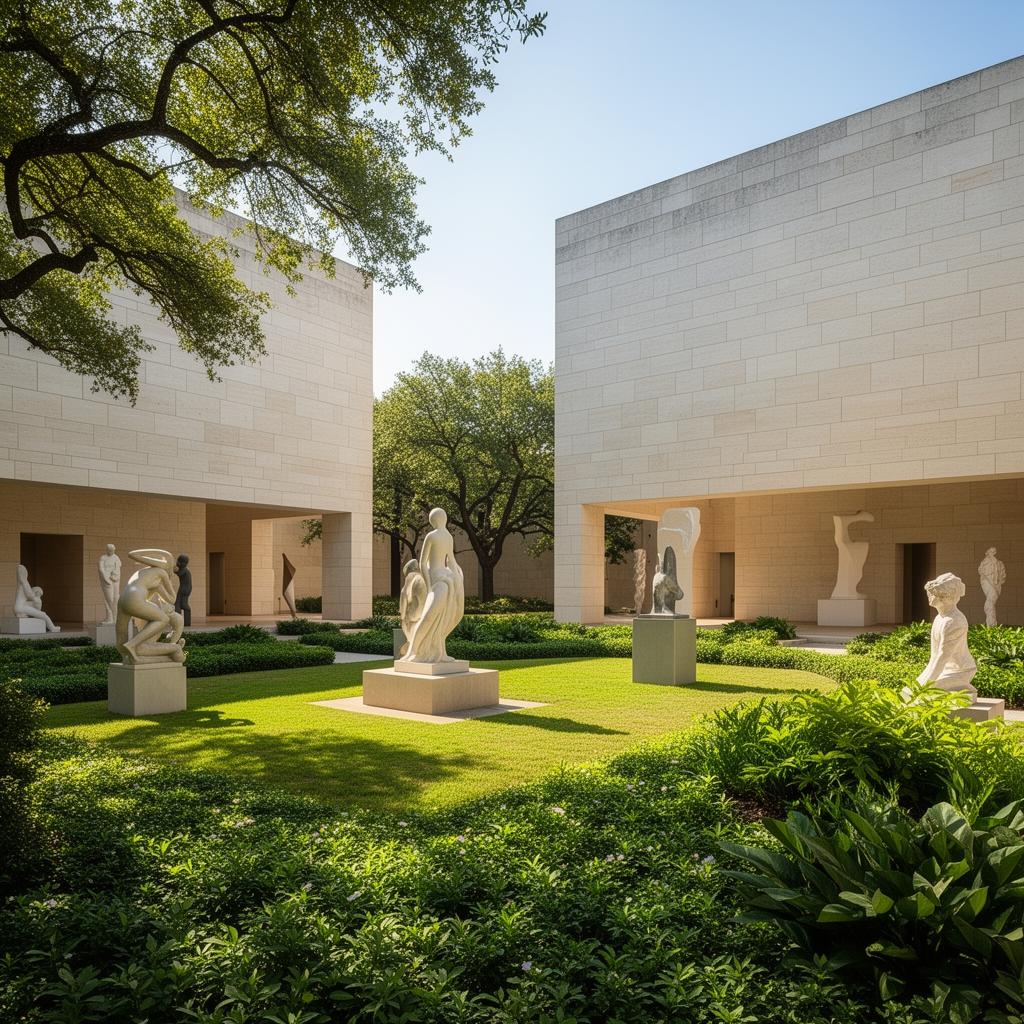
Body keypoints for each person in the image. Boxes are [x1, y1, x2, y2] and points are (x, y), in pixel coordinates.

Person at [404, 508, 465, 664]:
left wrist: (458, 576)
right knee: (429, 617)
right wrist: (429, 586)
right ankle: (413, 651)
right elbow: (424, 562)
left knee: (439, 618)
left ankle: (438, 652)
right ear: (441, 519)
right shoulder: (434, 536)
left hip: (443, 580)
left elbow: (448, 560)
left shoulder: (444, 537)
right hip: (440, 580)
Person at [116, 549, 185, 664]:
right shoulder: (162, 573)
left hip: (123, 599)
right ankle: (132, 644)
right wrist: (164, 556)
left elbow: (132, 554)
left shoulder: (146, 573)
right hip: (134, 599)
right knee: (163, 619)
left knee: (121, 635)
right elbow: (172, 599)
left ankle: (125, 656)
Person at [916, 572, 977, 697]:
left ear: (945, 596)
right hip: (945, 669)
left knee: (928, 688)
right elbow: (934, 656)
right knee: (914, 688)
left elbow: (943, 656)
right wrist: (923, 679)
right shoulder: (940, 618)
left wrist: (926, 683)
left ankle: (963, 685)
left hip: (961, 670)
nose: (929, 596)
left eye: (933, 593)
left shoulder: (954, 621)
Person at [14, 564, 60, 631]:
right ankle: (53, 628)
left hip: (19, 607)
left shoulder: (21, 583)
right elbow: (30, 595)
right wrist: (36, 596)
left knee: (39, 612)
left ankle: (52, 627)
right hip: (21, 608)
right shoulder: (24, 582)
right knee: (43, 615)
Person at [978, 547, 1006, 627]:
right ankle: (991, 624)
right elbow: (981, 571)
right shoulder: (984, 562)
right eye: (991, 551)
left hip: (996, 584)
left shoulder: (999, 563)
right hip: (987, 582)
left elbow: (1003, 575)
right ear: (988, 552)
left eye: (994, 551)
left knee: (991, 601)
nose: (993, 552)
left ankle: (991, 624)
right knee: (990, 600)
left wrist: (999, 582)